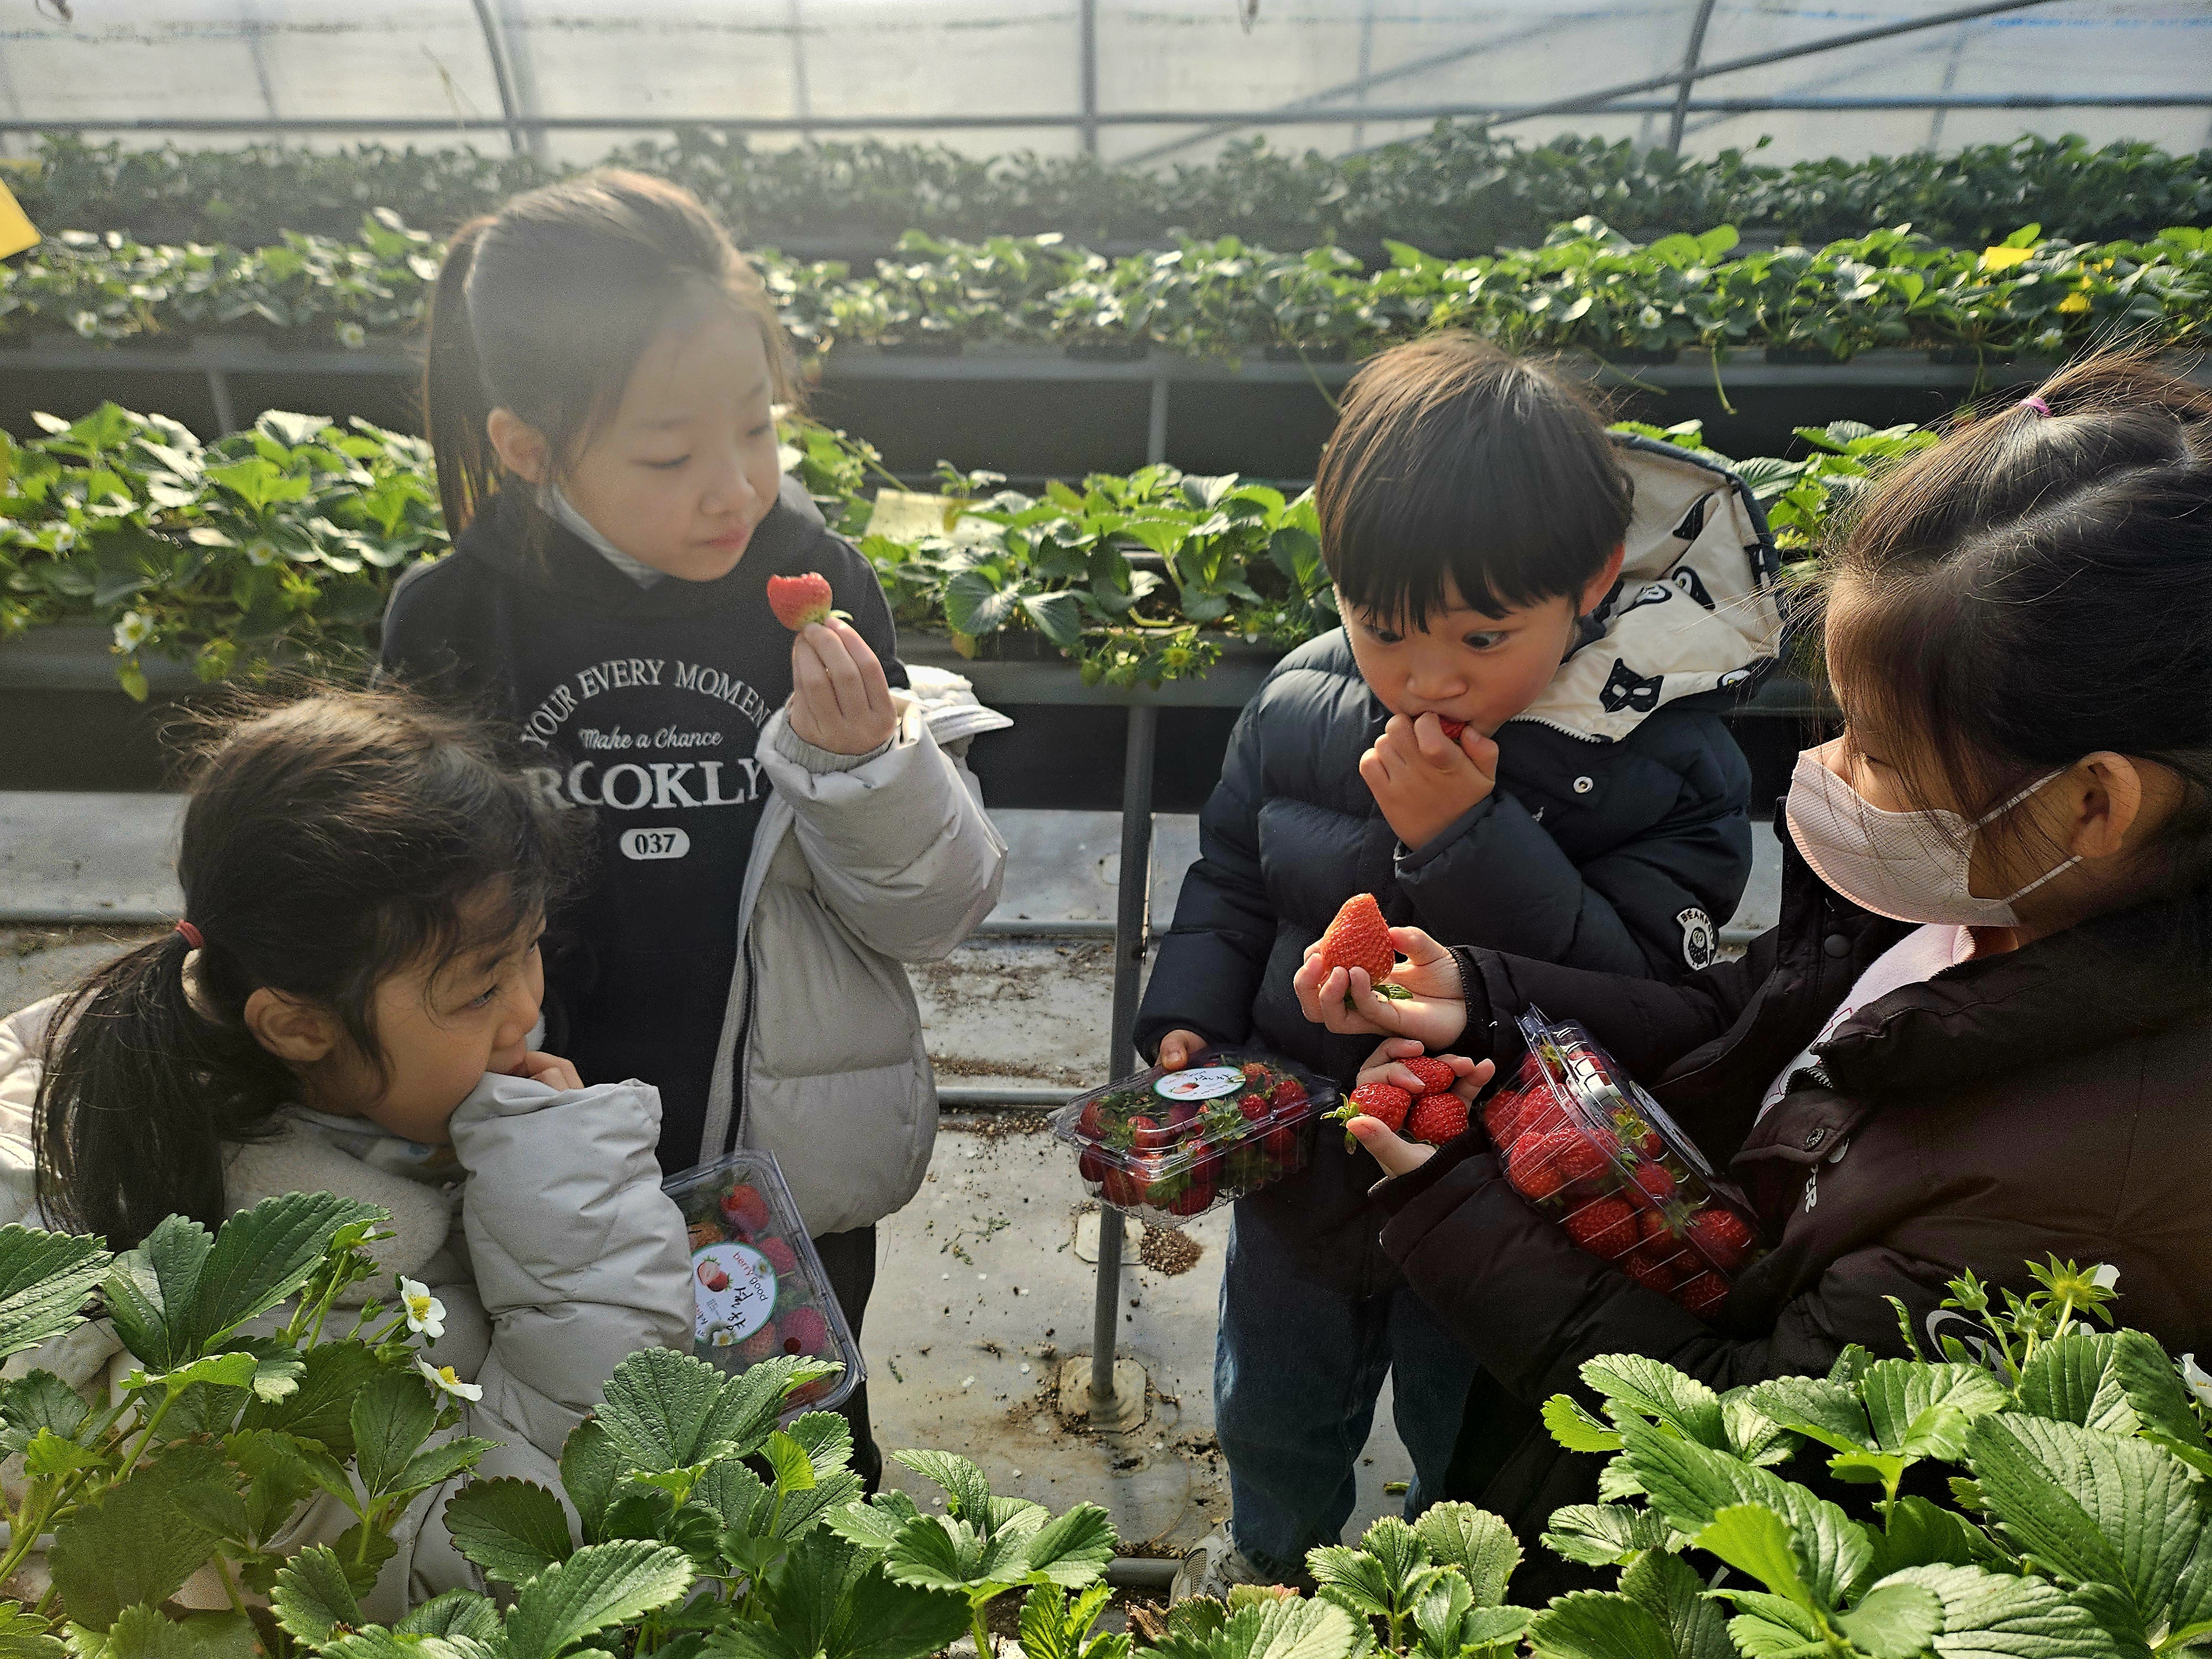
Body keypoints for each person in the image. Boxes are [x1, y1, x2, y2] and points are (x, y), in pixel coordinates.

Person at [1297, 352, 2212, 1600]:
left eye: (1881, 752)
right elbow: (1748, 1027)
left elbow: (1745, 1440)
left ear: (2091, 802)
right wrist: (1485, 990)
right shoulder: (1974, 909)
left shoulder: (2079, 1203)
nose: (1833, 773)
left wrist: (1452, 1196)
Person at [377, 170, 1009, 1491]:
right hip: (544, 1153)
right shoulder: (448, 624)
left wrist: (865, 770)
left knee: (810, 1458)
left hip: (781, 1156)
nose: (732, 489)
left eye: (755, 431)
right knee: (593, 1468)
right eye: (669, 456)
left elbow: (929, 913)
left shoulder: (820, 587)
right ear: (527, 446)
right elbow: (412, 913)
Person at [1138, 332, 1782, 1595]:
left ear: (1589, 583)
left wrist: (1462, 839)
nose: (1427, 676)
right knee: (1273, 1397)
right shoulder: (1296, 704)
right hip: (1309, 1154)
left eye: (1483, 637)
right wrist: (1189, 1022)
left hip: (1502, 1193)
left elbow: (1651, 991)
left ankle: (1451, 1593)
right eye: (1383, 630)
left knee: (1468, 1423)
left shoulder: (1667, 764)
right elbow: (1226, 878)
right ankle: (1271, 1563)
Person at [0, 688, 692, 1611]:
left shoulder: (310, 1107)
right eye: (479, 989)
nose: (527, 1009)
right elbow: (505, 1552)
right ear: (297, 1026)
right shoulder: (250, 1323)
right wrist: (576, 1203)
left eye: (530, 953)